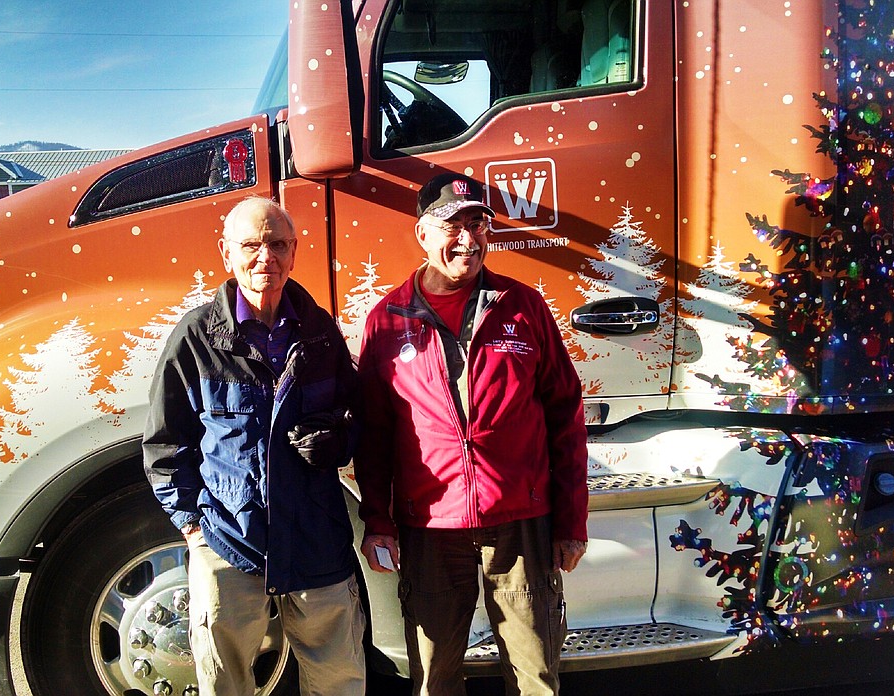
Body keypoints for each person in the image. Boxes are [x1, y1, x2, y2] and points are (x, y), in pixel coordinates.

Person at [356, 173, 589, 696]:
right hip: (430, 527)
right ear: (422, 235)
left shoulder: (522, 306)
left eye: (478, 224)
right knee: (433, 678)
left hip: (521, 524)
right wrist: (379, 521)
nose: (468, 238)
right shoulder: (388, 320)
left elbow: (565, 415)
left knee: (536, 678)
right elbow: (373, 434)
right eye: (452, 225)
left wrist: (571, 520)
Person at [144, 196, 366, 696]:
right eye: (251, 245)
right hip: (228, 541)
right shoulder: (196, 338)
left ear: (294, 252)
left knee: (339, 681)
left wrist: (340, 438)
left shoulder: (320, 333)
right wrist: (192, 529)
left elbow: (358, 417)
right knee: (225, 685)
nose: (265, 257)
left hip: (317, 541)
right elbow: (164, 444)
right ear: (226, 253)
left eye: (278, 245)